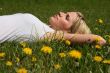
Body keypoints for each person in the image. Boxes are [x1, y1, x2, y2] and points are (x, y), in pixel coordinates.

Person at [0, 12, 106, 45]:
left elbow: (99, 40)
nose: (61, 12)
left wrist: (66, 36)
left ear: (69, 32)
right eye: (66, 13)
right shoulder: (44, 28)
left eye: (66, 17)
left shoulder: (49, 34)